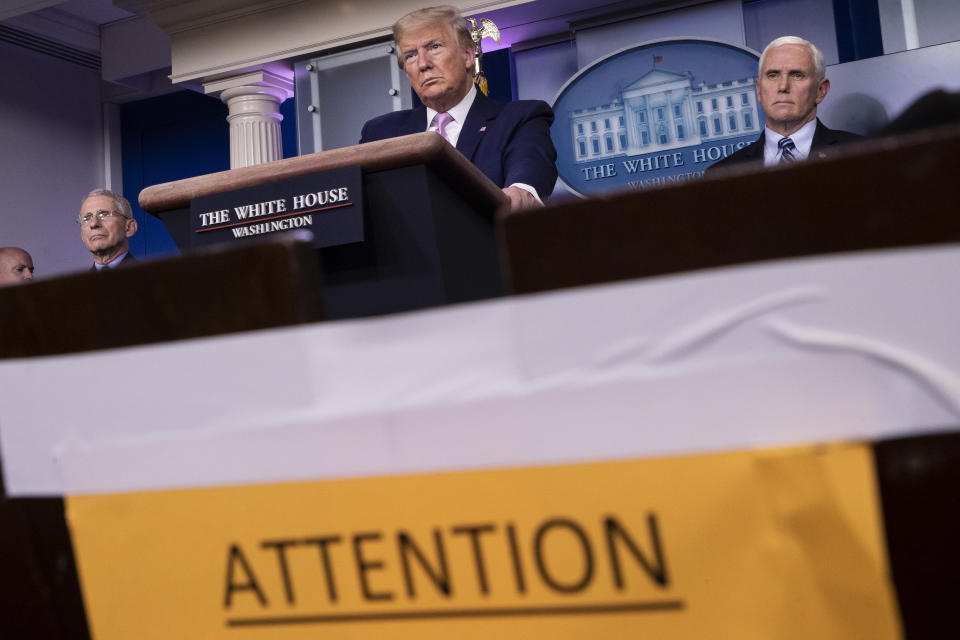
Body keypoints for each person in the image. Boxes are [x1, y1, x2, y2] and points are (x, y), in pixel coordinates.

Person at [360, 5, 557, 210]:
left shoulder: (520, 119)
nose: (422, 64)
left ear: (468, 55)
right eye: (410, 55)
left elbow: (524, 190)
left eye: (434, 47)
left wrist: (518, 196)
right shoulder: (379, 133)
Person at [707, 36, 860, 173]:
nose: (783, 86)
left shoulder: (860, 154)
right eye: (772, 75)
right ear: (759, 90)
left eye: (797, 75)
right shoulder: (722, 174)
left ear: (821, 90)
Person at [78, 189, 138, 270]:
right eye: (87, 218)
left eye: (103, 214)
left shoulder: (153, 278)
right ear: (82, 235)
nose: (93, 224)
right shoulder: (78, 282)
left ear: (129, 228)